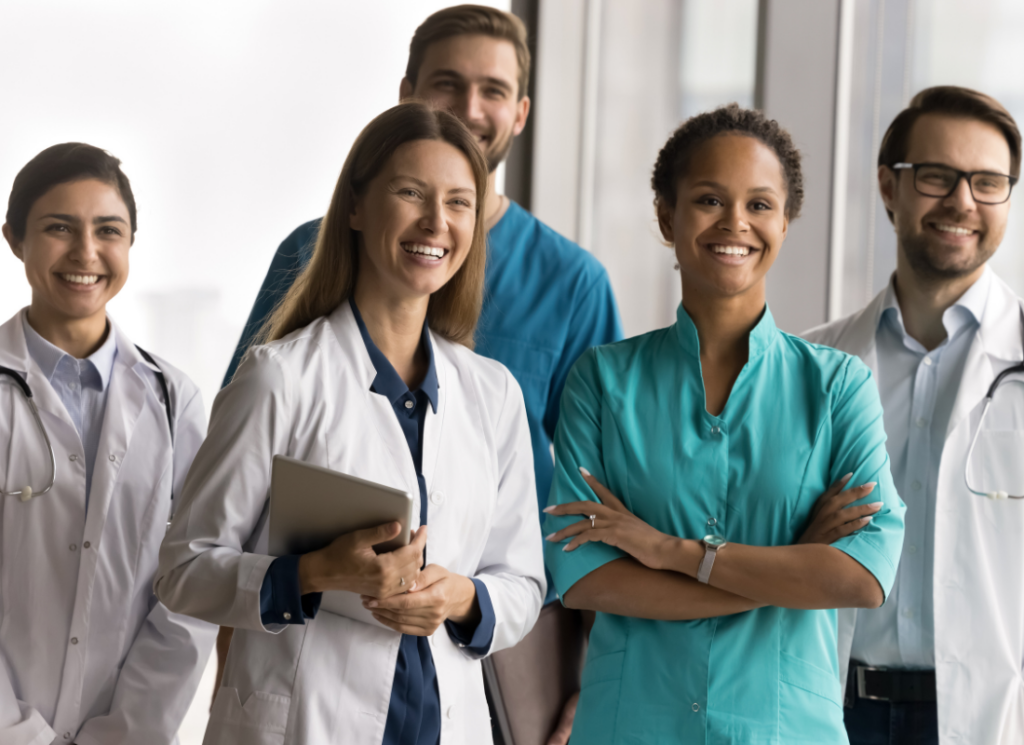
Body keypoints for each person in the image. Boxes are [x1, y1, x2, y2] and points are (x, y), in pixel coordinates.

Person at [217, 7, 621, 739]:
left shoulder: (568, 288)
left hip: (484, 658)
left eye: (492, 90)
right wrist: (274, 602)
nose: (470, 109)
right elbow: (226, 504)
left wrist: (585, 674)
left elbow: (587, 508)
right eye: (447, 84)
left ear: (522, 111)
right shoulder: (300, 287)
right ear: (407, 94)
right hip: (312, 669)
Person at [155, 102, 546, 745]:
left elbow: (523, 583)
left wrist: (460, 597)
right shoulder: (279, 377)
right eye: (411, 192)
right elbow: (183, 571)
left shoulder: (493, 392)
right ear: (357, 208)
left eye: (459, 202)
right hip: (308, 721)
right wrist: (312, 574)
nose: (436, 222)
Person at [542, 104, 906, 744]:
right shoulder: (600, 381)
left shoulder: (838, 387)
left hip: (785, 729)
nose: (735, 222)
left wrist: (665, 552)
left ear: (785, 222)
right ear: (667, 216)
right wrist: (790, 569)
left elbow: (860, 578)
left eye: (760, 205)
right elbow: (584, 578)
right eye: (709, 199)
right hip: (633, 727)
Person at [803, 86, 1024, 745]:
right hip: (837, 704)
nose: (962, 201)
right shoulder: (812, 362)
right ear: (889, 187)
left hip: (991, 712)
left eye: (988, 182)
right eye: (937, 176)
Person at [0, 143, 216, 745]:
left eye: (108, 231)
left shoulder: (175, 402)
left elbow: (189, 591)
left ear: (130, 245)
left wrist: (127, 732)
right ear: (14, 238)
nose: (86, 252)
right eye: (58, 228)